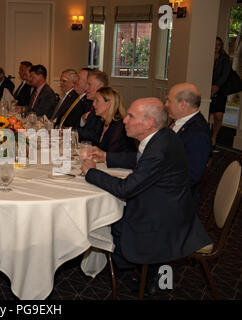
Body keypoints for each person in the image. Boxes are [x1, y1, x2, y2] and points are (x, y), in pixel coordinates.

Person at [82, 98, 211, 277]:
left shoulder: (159, 149)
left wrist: (91, 173)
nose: (125, 120)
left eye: (131, 116)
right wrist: (107, 157)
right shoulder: (163, 135)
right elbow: (141, 158)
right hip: (173, 205)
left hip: (163, 221)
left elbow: (126, 188)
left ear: (148, 123)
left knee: (100, 217)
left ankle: (139, 269)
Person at [165, 82, 212, 207]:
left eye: (169, 101)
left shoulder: (197, 134)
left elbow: (191, 177)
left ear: (183, 104)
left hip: (177, 200)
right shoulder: (178, 123)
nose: (166, 105)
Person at [90, 87, 135, 152]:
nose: (93, 104)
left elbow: (110, 153)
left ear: (108, 104)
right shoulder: (102, 121)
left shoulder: (119, 126)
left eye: (97, 100)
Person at [210, 37, 231, 149]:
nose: (217, 46)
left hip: (220, 90)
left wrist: (217, 86)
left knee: (218, 116)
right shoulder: (206, 56)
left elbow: (225, 74)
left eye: (219, 44)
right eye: (215, 44)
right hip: (206, 89)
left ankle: (214, 137)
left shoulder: (225, 58)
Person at [76, 70, 108, 142]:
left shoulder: (105, 107)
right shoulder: (89, 103)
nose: (86, 88)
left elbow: (95, 136)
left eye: (89, 84)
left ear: (100, 86)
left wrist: (70, 131)